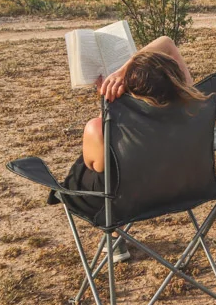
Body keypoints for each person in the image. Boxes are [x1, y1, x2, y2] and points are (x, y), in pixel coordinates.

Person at [52, 36, 206, 261]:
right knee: (116, 163)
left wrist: (108, 107)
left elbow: (96, 164)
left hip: (128, 197)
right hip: (180, 188)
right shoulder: (194, 108)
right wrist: (126, 71)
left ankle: (114, 238)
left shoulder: (101, 129)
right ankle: (114, 239)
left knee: (98, 164)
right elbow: (167, 42)